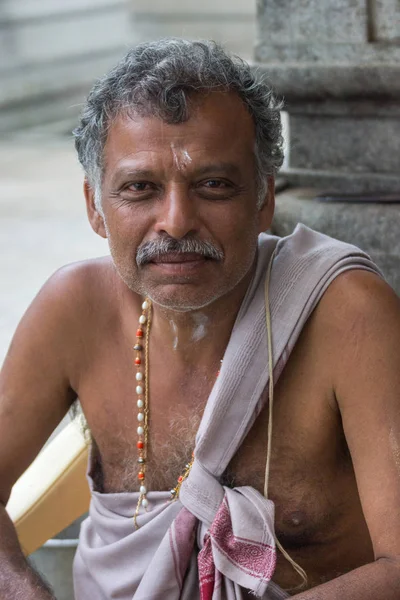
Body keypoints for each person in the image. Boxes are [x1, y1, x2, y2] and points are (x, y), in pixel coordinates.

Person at [1, 39, 400, 600]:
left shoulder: (347, 316)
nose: (177, 221)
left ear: (263, 200)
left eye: (213, 186)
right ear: (95, 206)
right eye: (140, 188)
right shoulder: (72, 310)